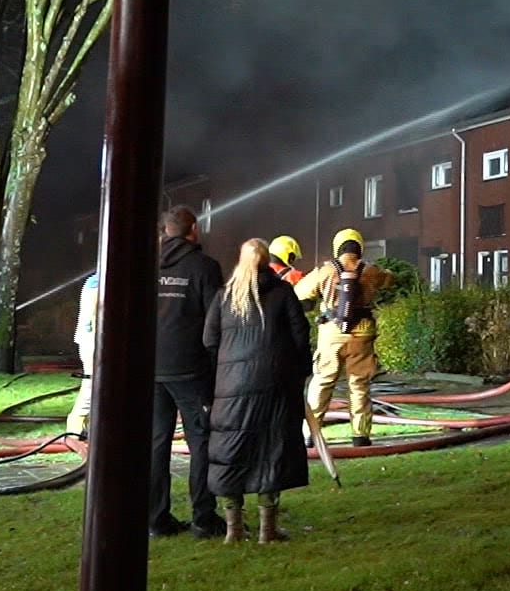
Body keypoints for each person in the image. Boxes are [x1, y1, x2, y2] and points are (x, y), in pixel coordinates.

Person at [205, 239, 313, 543]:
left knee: (230, 452)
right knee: (272, 449)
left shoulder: (224, 297)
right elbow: (300, 336)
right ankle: (268, 529)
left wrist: (222, 373)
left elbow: (209, 341)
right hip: (275, 385)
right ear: (268, 260)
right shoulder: (282, 293)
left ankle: (233, 529)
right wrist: (300, 372)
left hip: (231, 386)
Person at [150, 205, 228, 540]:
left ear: (166, 231)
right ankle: (203, 519)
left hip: (151, 368)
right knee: (201, 442)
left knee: (155, 443)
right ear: (193, 229)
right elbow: (215, 322)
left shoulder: (146, 266)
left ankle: (156, 520)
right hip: (191, 369)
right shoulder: (204, 267)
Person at [295, 228, 392, 448]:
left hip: (332, 333)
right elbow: (389, 280)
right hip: (363, 333)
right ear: (359, 247)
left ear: (337, 247)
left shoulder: (326, 270)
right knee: (359, 384)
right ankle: (360, 436)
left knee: (322, 382)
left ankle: (311, 435)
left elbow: (300, 292)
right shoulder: (370, 270)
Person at [66, 267, 99, 438]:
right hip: (93, 341)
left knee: (95, 384)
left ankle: (85, 426)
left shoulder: (94, 282)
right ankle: (75, 429)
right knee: (92, 384)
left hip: (90, 340)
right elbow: (94, 316)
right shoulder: (97, 285)